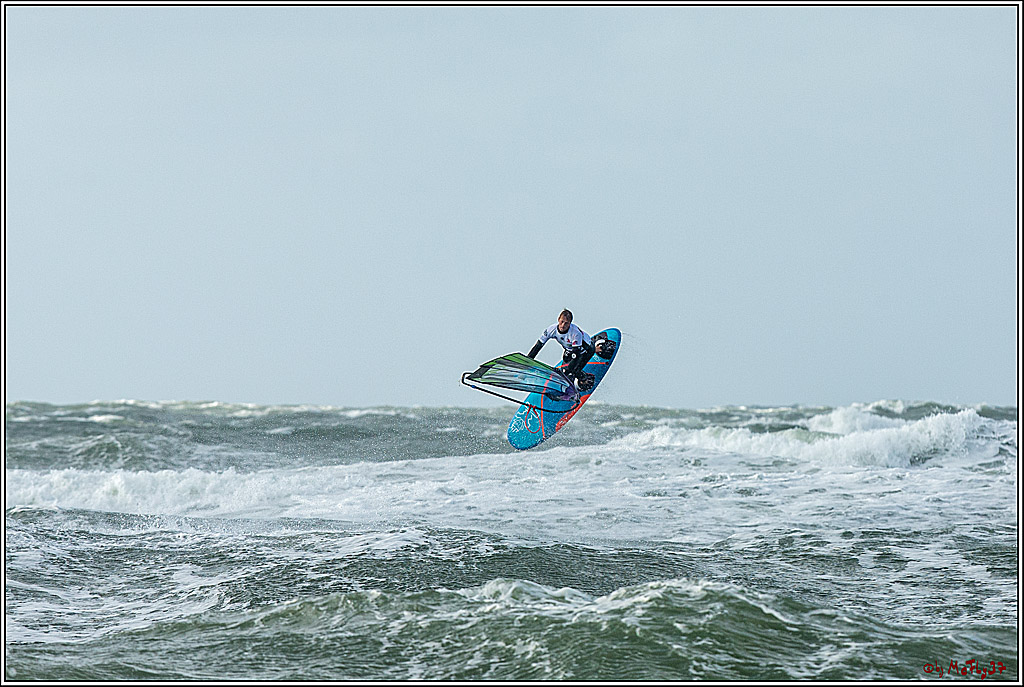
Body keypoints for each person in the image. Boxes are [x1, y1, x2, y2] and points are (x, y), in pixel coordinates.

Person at [526, 309, 597, 391]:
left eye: (566, 323)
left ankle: (586, 379)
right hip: (570, 350)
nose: (563, 325)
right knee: (566, 361)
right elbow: (537, 346)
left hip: (586, 350)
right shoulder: (551, 330)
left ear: (570, 324)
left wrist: (567, 372)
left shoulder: (575, 333)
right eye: (562, 321)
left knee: (571, 372)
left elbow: (576, 356)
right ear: (558, 320)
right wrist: (527, 361)